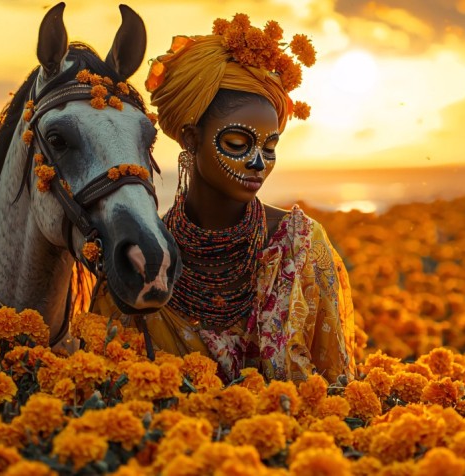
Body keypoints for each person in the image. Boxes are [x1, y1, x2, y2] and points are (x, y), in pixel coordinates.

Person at [93, 14, 360, 383]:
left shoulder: (299, 246)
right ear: (189, 138)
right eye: (237, 143)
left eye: (270, 147)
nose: (257, 163)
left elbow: (336, 390)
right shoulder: (141, 256)